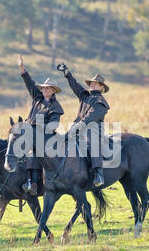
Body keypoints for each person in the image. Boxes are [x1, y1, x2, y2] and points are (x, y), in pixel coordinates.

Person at [57, 62, 110, 187]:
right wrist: (67, 73)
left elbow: (91, 117)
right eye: (91, 83)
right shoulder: (84, 95)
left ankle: (98, 173)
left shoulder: (102, 102)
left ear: (102, 87)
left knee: (93, 143)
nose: (92, 85)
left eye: (95, 83)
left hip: (93, 130)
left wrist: (79, 125)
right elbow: (75, 86)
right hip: (78, 128)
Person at [18, 55, 64, 195]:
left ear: (53, 91)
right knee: (12, 146)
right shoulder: (37, 97)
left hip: (46, 138)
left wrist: (37, 129)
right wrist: (22, 68)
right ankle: (6, 180)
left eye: (48, 89)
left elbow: (53, 125)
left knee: (32, 153)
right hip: (29, 132)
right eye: (44, 88)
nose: (44, 90)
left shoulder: (56, 107)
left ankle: (32, 183)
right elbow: (29, 83)